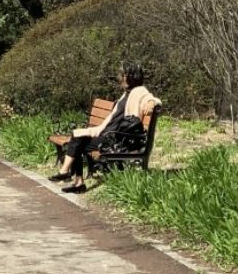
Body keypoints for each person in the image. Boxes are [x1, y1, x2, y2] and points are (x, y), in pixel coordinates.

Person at [50, 62, 160, 194]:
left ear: (131, 76)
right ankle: (74, 179)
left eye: (123, 75)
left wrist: (152, 102)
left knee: (77, 140)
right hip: (110, 133)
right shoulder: (127, 93)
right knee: (77, 139)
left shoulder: (139, 91)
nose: (121, 78)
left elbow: (151, 98)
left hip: (117, 138)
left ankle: (68, 174)